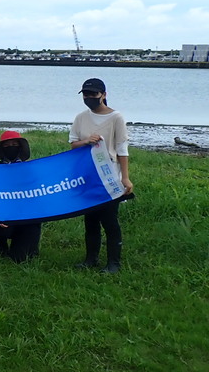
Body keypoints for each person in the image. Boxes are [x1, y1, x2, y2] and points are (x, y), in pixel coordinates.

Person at [69, 78, 132, 274]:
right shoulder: (81, 118)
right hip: (88, 175)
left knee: (110, 219)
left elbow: (122, 149)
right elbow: (73, 144)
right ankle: (91, 258)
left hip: (109, 175)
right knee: (91, 219)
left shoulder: (116, 118)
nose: (89, 98)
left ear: (103, 95)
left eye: (93, 94)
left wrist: (125, 177)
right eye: (86, 95)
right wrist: (87, 141)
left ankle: (114, 262)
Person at [0, 131, 42, 263]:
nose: (11, 147)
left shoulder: (31, 168)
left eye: (15, 144)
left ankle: (28, 245)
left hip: (27, 217)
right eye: (7, 145)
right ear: (2, 148)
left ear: (20, 147)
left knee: (20, 259)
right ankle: (2, 247)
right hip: (4, 215)